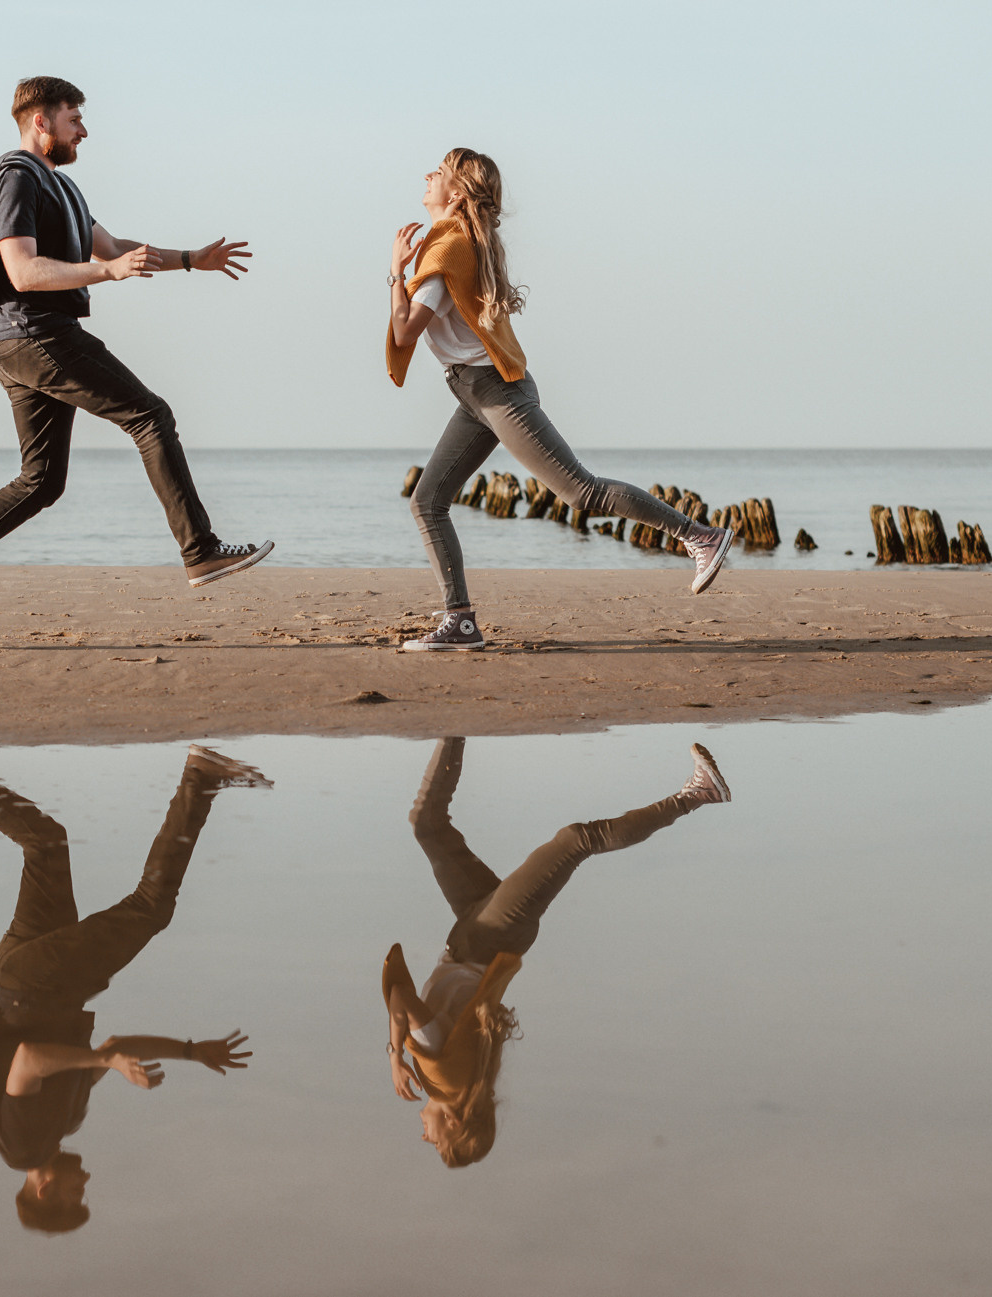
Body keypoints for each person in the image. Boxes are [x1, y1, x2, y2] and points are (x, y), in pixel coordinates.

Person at [0, 76, 274, 640]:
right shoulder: (15, 178)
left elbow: (112, 248)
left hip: (23, 344)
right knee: (150, 415)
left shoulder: (65, 189)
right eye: (74, 118)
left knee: (42, 480)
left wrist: (189, 258)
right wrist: (106, 274)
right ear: (42, 122)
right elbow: (23, 271)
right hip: (38, 335)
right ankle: (200, 552)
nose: (83, 129)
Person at [385, 148, 736, 652]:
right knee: (429, 501)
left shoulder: (444, 253)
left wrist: (395, 272)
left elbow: (404, 331)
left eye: (437, 173)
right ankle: (460, 621)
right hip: (473, 393)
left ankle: (698, 535)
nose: (426, 177)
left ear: (456, 193)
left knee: (581, 493)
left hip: (494, 392)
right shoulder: (456, 244)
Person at [0, 742, 264, 1232]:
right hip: (19, 975)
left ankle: (201, 777)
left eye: (76, 1193)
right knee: (47, 845)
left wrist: (105, 1062)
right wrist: (190, 1051)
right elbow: (117, 1048)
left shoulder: (22, 1145)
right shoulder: (63, 1123)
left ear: (45, 1190)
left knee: (150, 907)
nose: (86, 1181)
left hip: (44, 984)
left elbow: (29, 1061)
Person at [381, 737, 732, 1166]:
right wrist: (396, 1056)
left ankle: (456, 727)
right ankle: (696, 796)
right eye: (436, 1143)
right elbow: (402, 1001)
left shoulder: (460, 1081)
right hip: (491, 934)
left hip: (474, 931)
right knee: (577, 840)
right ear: (454, 1125)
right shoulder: (445, 1079)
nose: (425, 1138)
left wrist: (399, 1052)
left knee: (428, 824)